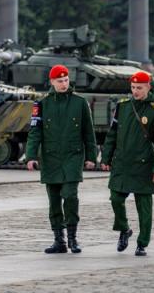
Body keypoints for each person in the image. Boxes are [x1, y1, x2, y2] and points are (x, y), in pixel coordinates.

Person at [25, 64, 98, 255]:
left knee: (70, 195)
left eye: (66, 80)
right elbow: (35, 132)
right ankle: (59, 241)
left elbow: (88, 133)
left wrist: (91, 156)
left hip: (73, 157)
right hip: (50, 158)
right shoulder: (42, 104)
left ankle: (73, 238)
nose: (64, 84)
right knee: (54, 201)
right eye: (60, 81)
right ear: (52, 82)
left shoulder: (79, 103)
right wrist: (31, 156)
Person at [100, 70, 154, 257]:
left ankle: (142, 244)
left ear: (148, 87)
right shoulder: (123, 107)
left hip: (143, 165)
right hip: (122, 164)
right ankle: (124, 229)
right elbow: (112, 134)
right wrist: (106, 158)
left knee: (144, 208)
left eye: (139, 88)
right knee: (116, 199)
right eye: (133, 88)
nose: (135, 91)